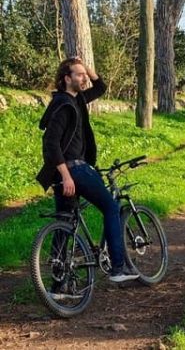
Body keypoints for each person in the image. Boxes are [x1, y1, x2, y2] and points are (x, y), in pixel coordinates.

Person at [36, 57, 139, 291]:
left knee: (65, 222)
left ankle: (58, 287)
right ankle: (118, 268)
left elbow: (100, 87)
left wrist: (85, 66)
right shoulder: (64, 105)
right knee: (111, 207)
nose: (84, 78)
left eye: (84, 75)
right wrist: (67, 175)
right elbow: (50, 143)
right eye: (79, 75)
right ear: (66, 79)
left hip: (66, 172)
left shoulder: (77, 99)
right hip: (74, 169)